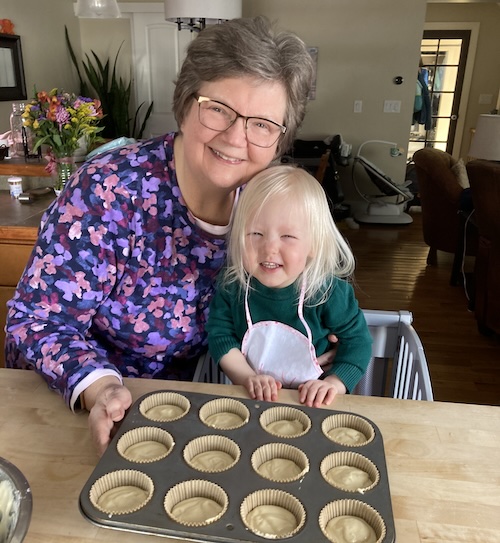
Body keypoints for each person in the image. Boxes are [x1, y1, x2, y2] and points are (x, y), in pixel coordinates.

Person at [4, 16, 318, 456]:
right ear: (186, 104)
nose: (235, 137)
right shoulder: (109, 191)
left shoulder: (268, 204)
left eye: (262, 124)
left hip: (191, 412)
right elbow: (35, 321)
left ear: (280, 140)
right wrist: (101, 388)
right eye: (218, 109)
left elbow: (292, 287)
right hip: (82, 409)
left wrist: (312, 338)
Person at [207, 164, 372, 408]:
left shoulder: (328, 292)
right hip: (251, 403)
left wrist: (334, 383)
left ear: (313, 245)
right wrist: (248, 378)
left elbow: (358, 342)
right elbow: (221, 337)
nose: (269, 248)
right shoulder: (232, 285)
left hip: (314, 405)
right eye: (255, 234)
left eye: (287, 237)